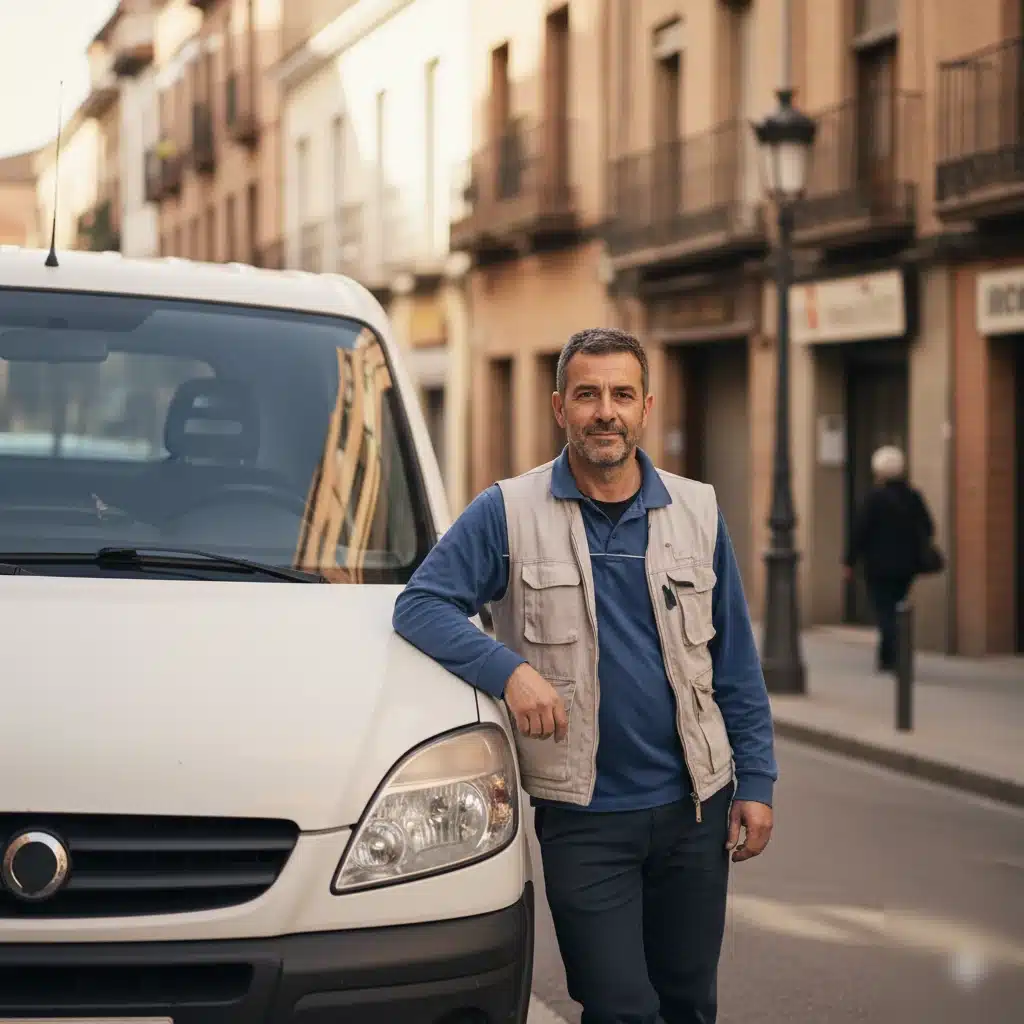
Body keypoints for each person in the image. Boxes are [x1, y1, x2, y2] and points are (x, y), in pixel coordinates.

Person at [392, 327, 777, 1024]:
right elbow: (421, 604)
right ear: (559, 407)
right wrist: (509, 671)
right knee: (618, 1006)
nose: (606, 412)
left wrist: (757, 782)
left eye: (622, 395)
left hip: (695, 812)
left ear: (646, 407)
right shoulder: (508, 511)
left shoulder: (697, 510)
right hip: (584, 820)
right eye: (588, 395)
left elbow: (735, 667)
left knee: (689, 1005)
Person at [843, 445, 938, 673]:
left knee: (884, 610)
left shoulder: (874, 499)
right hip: (907, 566)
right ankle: (888, 656)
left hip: (878, 566)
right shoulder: (913, 497)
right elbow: (928, 527)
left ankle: (892, 656)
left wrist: (849, 561)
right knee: (897, 606)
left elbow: (859, 532)